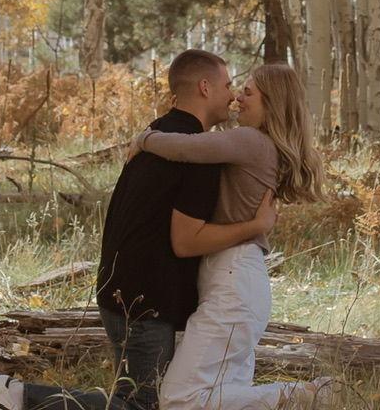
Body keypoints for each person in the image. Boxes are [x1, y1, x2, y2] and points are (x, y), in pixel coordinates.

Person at [0, 50, 276, 410]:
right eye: (227, 85)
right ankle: (19, 396)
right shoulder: (198, 156)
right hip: (147, 299)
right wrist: (254, 227)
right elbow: (186, 241)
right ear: (205, 88)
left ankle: (17, 396)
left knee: (137, 399)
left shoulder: (157, 133)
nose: (232, 95)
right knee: (143, 404)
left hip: (120, 288)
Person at [127, 63, 327, 410]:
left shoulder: (251, 141)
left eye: (248, 92)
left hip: (233, 284)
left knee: (179, 399)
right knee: (221, 394)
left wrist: (143, 139)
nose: (237, 98)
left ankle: (300, 397)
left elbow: (187, 148)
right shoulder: (261, 145)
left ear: (271, 102)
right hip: (237, 282)